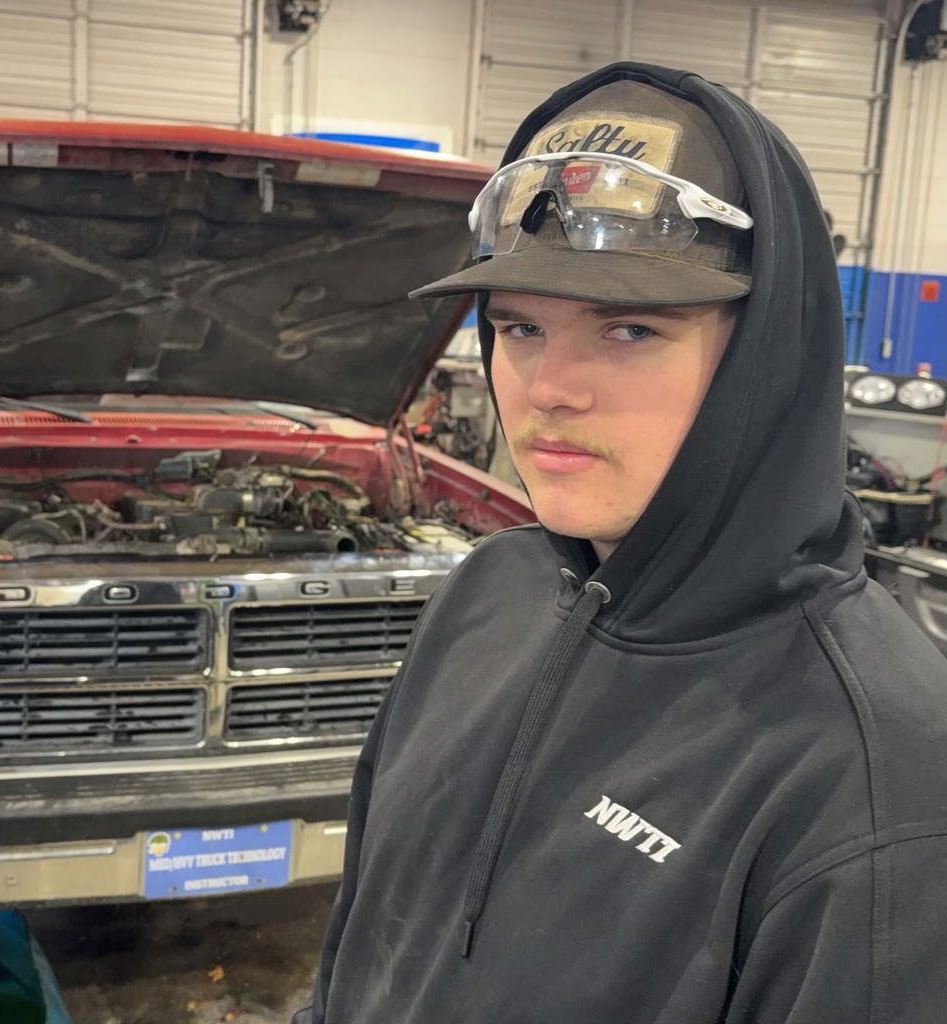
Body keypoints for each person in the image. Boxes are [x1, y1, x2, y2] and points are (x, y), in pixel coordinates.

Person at [293, 62, 947, 1023]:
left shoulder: (874, 771)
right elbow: (363, 937)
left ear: (765, 357)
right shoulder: (488, 592)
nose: (549, 386)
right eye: (519, 325)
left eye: (630, 329)